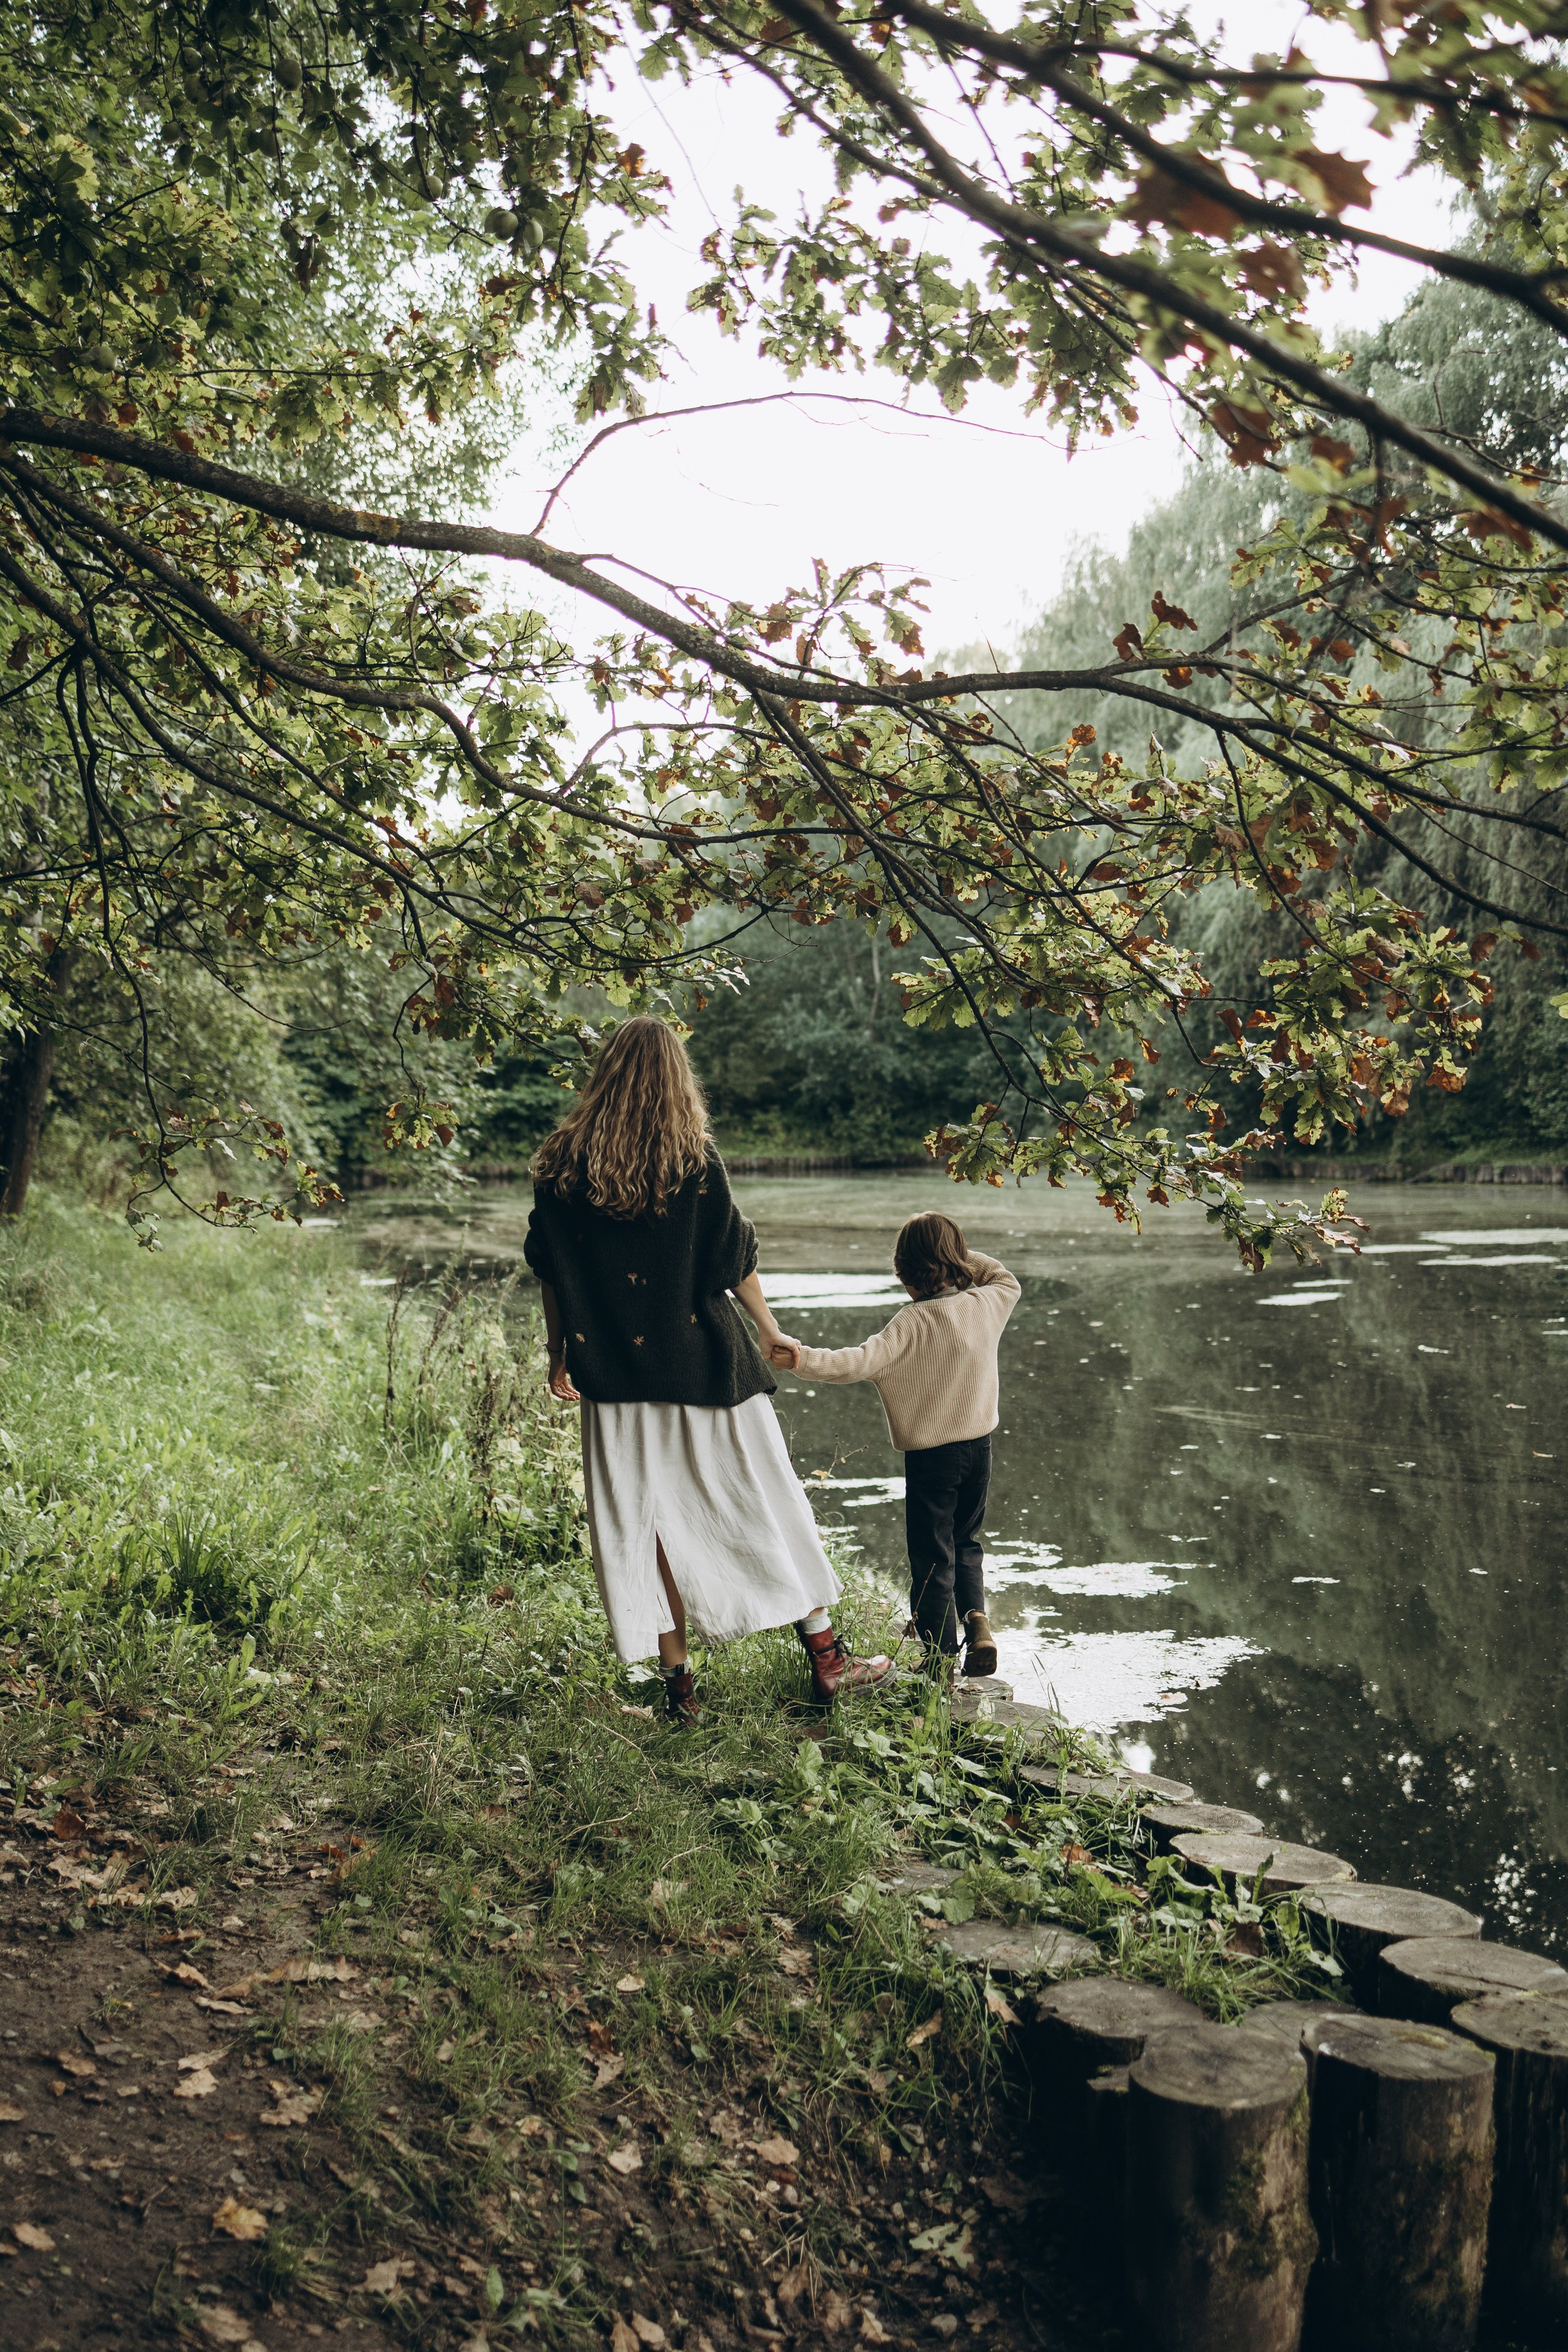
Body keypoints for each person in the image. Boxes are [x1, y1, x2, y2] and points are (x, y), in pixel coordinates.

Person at [522, 1017, 893, 1724]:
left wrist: (559, 1350)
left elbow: (552, 1272)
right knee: (765, 1501)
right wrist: (771, 1328)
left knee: (644, 1525)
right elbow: (732, 1262)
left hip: (614, 1376)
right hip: (706, 1367)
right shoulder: (692, 1159)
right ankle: (827, 1659)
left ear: (604, 1073)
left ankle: (681, 1696)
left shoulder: (559, 1167)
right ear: (676, 1079)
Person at [770, 1213, 1019, 1679]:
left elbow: (854, 1363)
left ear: (904, 1275)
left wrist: (801, 1359)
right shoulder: (987, 1304)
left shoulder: (908, 1324)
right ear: (955, 1261)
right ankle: (977, 1620)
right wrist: (958, 1260)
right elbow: (1001, 1275)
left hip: (932, 1459)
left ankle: (940, 1659)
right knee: (966, 1542)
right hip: (979, 1450)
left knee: (931, 1557)